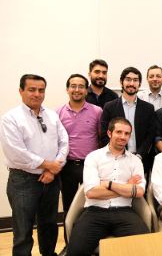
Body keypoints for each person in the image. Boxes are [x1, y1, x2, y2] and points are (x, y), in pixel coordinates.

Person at [0, 74, 69, 256]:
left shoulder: (52, 115)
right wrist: (48, 165)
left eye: (41, 90)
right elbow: (16, 152)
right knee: (23, 230)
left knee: (49, 224)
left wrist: (53, 170)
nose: (37, 94)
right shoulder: (10, 119)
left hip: (51, 179)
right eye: (32, 89)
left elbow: (64, 142)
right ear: (21, 91)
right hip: (23, 181)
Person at [67, 118, 149, 255]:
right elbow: (92, 192)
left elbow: (139, 192)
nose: (123, 137)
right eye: (119, 132)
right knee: (76, 252)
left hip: (124, 212)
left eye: (127, 133)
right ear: (109, 133)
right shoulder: (93, 157)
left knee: (146, 248)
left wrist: (108, 184)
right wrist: (127, 187)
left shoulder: (135, 161)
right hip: (95, 212)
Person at [57, 74, 102, 247]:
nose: (77, 90)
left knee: (92, 206)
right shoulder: (58, 112)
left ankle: (91, 244)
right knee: (69, 207)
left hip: (89, 166)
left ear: (86, 89)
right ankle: (70, 245)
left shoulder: (97, 111)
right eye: (73, 86)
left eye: (81, 86)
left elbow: (101, 137)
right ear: (67, 89)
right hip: (67, 166)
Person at [100, 67, 155, 174]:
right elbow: (104, 134)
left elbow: (150, 135)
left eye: (135, 80)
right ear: (121, 82)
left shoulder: (148, 108)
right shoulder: (109, 107)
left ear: (139, 84)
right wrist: (116, 155)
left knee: (139, 190)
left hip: (141, 160)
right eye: (128, 79)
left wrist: (139, 155)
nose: (131, 83)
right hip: (115, 160)